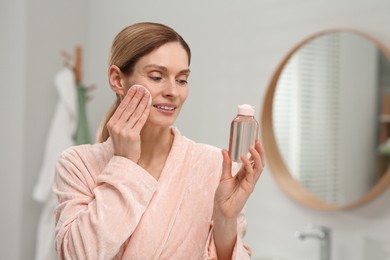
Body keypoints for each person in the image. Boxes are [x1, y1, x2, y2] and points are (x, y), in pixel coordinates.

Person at [53, 22, 265, 260]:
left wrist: (226, 220)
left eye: (182, 80)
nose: (173, 91)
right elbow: (76, 255)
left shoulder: (215, 165)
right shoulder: (78, 164)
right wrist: (125, 165)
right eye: (156, 76)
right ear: (117, 79)